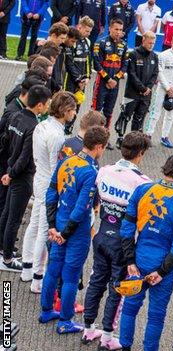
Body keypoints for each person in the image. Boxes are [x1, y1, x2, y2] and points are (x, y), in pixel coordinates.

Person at [82, 132, 151, 350]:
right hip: (123, 243)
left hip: (101, 235)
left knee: (96, 282)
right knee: (117, 289)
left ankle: (88, 329)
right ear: (140, 154)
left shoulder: (104, 170)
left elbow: (96, 198)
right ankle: (107, 338)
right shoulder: (143, 183)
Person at [118, 154, 173, 351]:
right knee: (156, 315)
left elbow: (126, 228)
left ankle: (124, 346)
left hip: (138, 259)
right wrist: (161, 272)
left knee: (130, 307)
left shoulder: (142, 190)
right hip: (163, 267)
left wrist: (130, 261)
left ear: (165, 169)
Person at [38, 126, 109, 333]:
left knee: (53, 269)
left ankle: (46, 310)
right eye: (103, 148)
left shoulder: (65, 161)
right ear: (98, 147)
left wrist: (53, 226)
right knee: (70, 276)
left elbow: (51, 193)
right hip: (75, 232)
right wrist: (65, 233)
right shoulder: (91, 172)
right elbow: (81, 209)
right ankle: (65, 321)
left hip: (58, 224)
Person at [18, 92, 77, 290]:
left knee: (34, 224)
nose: (74, 113)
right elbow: (56, 168)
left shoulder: (41, 125)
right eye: (73, 110)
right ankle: (37, 278)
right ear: (65, 111)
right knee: (43, 229)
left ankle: (27, 269)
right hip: (47, 183)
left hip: (38, 178)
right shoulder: (57, 135)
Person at [0, 85, 51, 272]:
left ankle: (3, 250)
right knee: (14, 218)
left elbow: (6, 143)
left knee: (6, 213)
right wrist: (12, 173)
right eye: (47, 105)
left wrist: (8, 171)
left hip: (10, 169)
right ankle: (7, 259)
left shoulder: (15, 116)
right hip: (21, 177)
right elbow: (25, 156)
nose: (47, 108)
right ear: (39, 105)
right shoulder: (34, 127)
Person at [114, 31, 158, 148]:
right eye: (149, 43)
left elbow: (155, 74)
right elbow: (131, 74)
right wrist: (141, 88)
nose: (151, 45)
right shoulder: (133, 54)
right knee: (125, 116)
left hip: (146, 95)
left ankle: (135, 141)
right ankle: (120, 138)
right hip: (132, 93)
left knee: (139, 118)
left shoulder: (154, 56)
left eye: (153, 43)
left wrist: (148, 88)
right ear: (143, 40)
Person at [144, 34, 173, 149]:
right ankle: (148, 135)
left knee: (171, 115)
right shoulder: (163, 55)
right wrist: (167, 87)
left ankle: (165, 137)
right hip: (163, 88)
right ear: (172, 42)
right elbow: (159, 72)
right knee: (155, 113)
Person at [92, 18, 128, 148]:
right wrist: (108, 79)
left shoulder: (124, 45)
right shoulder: (100, 43)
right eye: (116, 29)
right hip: (101, 83)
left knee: (109, 112)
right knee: (96, 111)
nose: (118, 32)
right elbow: (96, 64)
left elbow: (125, 65)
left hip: (115, 85)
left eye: (120, 30)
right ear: (110, 29)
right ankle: (92, 138)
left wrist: (115, 79)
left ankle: (104, 139)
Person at [64, 16, 95, 135]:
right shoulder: (73, 41)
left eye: (90, 31)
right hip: (71, 80)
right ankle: (62, 128)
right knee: (67, 104)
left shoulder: (88, 41)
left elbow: (88, 60)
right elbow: (69, 63)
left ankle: (69, 129)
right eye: (86, 31)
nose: (88, 33)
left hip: (82, 81)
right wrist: (78, 79)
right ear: (79, 27)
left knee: (77, 105)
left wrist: (87, 77)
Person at [53, 27, 86, 95]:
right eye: (72, 41)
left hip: (58, 82)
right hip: (51, 81)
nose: (73, 44)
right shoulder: (55, 45)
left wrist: (78, 79)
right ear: (67, 37)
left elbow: (70, 65)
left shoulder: (68, 48)